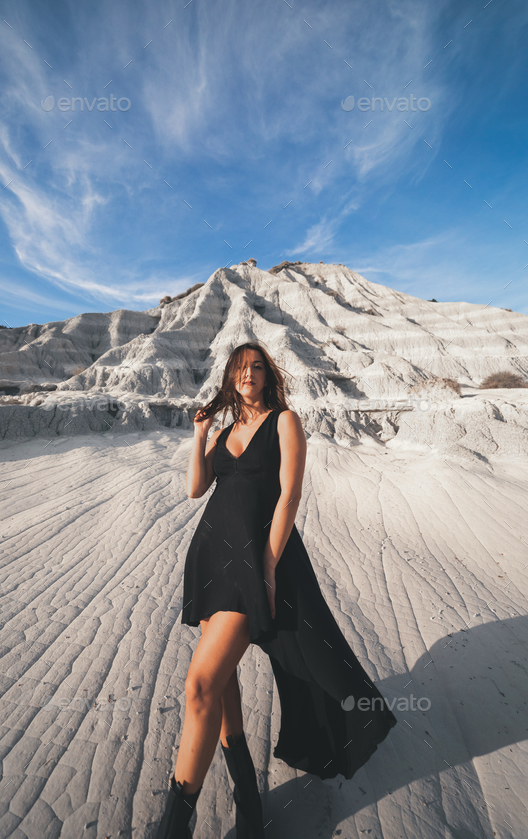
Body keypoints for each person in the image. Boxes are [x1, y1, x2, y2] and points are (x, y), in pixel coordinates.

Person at [154, 341, 397, 838]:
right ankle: (247, 797)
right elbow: (196, 489)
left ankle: (174, 825)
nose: (249, 375)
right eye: (241, 369)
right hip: (211, 562)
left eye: (257, 367)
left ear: (268, 376)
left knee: (199, 686)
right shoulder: (223, 429)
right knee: (220, 680)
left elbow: (290, 496)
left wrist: (266, 568)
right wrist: (200, 436)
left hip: (251, 565)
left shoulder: (284, 421)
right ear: (231, 376)